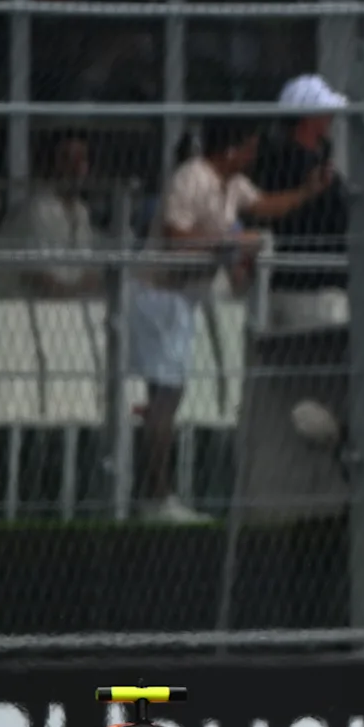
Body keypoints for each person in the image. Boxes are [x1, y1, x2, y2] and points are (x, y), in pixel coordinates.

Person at [131, 122, 265, 523]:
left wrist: (243, 258)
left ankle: (155, 494)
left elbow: (238, 268)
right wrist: (232, 246)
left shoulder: (226, 197)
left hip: (183, 300)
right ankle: (155, 497)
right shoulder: (189, 183)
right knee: (164, 399)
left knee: (169, 396)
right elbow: (179, 238)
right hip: (160, 295)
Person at [244, 74, 364, 332]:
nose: (331, 118)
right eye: (325, 111)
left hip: (288, 290)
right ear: (308, 117)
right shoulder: (299, 168)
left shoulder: (280, 163)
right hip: (314, 296)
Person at [13, 133, 104, 300]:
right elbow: (35, 275)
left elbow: (91, 271)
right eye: (68, 158)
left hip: (77, 306)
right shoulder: (39, 208)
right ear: (54, 165)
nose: (76, 167)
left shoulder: (82, 211)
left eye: (81, 159)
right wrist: (70, 294)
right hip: (41, 305)